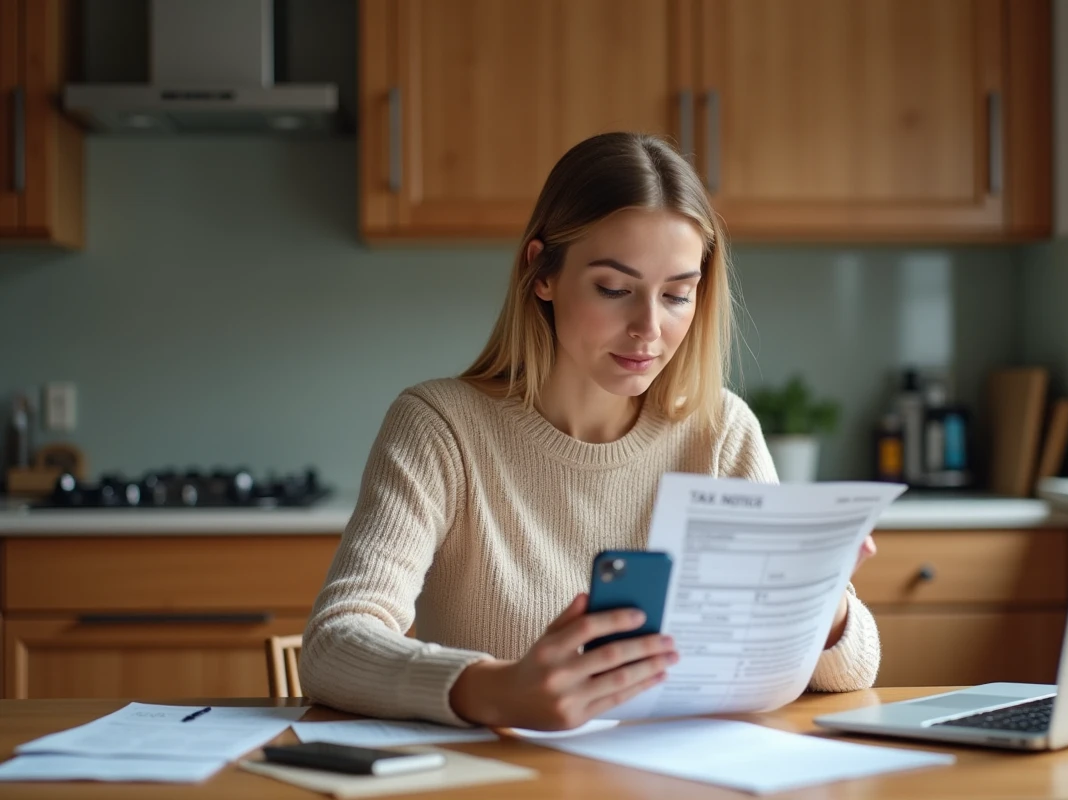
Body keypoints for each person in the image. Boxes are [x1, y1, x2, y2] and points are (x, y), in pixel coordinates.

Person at [299, 132, 880, 731]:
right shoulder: (441, 428)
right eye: (614, 289)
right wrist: (493, 690)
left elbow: (851, 672)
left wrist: (821, 598)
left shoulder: (721, 431)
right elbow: (332, 646)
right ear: (542, 272)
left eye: (678, 295)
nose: (648, 328)